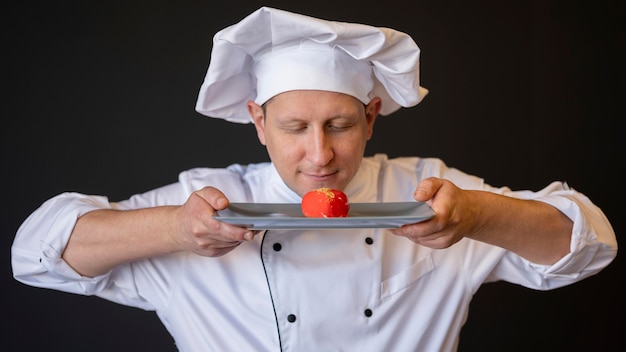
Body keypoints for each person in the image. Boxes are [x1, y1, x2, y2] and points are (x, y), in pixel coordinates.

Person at [11, 6, 617, 352]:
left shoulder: (430, 191)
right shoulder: (209, 202)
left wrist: (479, 217)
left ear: (373, 117)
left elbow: (588, 245)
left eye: (341, 124)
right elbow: (34, 254)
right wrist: (175, 228)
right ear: (258, 122)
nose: (319, 154)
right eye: (295, 126)